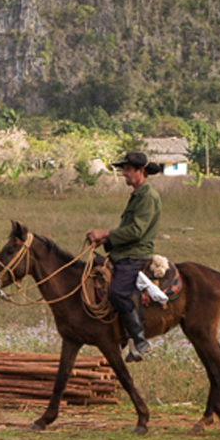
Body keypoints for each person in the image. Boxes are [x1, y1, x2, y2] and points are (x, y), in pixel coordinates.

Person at [86, 150, 160, 360]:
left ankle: (139, 340)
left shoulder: (148, 197)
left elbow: (137, 231)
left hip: (135, 255)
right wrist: (105, 241)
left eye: (127, 169)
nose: (124, 173)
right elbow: (127, 231)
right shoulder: (137, 196)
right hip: (124, 252)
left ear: (140, 171)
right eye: (124, 169)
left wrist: (106, 233)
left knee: (117, 292)